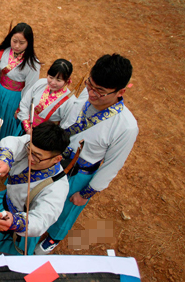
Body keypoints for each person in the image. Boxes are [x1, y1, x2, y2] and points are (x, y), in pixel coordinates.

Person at [35, 54, 138, 255]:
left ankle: (54, 237)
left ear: (121, 92)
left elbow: (111, 166)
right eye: (90, 85)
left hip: (80, 173)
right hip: (56, 159)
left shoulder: (126, 126)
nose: (92, 94)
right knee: (41, 195)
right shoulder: (86, 94)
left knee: (67, 208)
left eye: (101, 92)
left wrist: (86, 193)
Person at [0, 122, 70, 255]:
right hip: (5, 201)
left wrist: (15, 222)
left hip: (20, 222)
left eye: (37, 156)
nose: (29, 157)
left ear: (57, 159)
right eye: (29, 151)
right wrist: (5, 159)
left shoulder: (57, 187)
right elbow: (12, 142)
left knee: (7, 256)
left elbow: (41, 219)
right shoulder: (33, 144)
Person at [0, 23, 40, 155]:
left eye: (21, 43)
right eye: (14, 41)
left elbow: (30, 90)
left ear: (29, 43)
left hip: (15, 98)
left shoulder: (32, 64)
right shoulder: (3, 52)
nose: (16, 45)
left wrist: (21, 109)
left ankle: (4, 150)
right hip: (0, 91)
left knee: (9, 123)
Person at [17, 58, 75, 135]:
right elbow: (25, 103)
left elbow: (64, 126)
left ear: (67, 80)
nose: (53, 83)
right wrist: (27, 127)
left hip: (45, 136)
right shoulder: (40, 83)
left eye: (58, 80)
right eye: (51, 77)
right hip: (25, 126)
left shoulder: (70, 101)